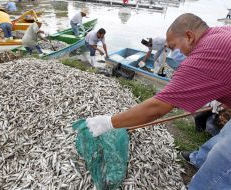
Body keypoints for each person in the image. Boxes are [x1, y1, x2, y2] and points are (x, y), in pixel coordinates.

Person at [85, 13, 231, 189]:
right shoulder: (220, 32)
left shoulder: (205, 55)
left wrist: (108, 122)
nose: (172, 52)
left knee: (224, 160)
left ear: (190, 36)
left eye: (173, 47)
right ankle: (198, 158)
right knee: (224, 134)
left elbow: (158, 107)